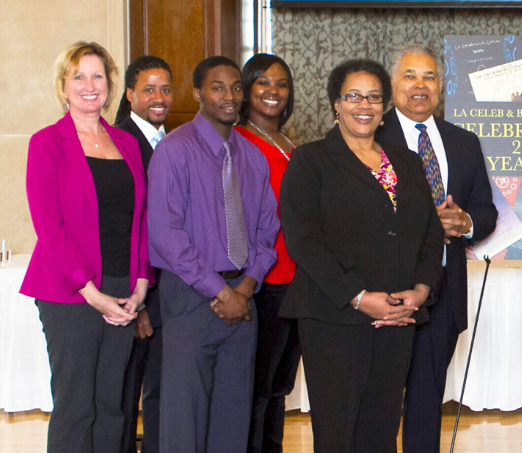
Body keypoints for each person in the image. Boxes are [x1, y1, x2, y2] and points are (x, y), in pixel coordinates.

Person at [279, 59, 444, 453]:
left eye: (373, 97)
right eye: (353, 96)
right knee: (338, 432)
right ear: (336, 103)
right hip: (334, 317)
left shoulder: (405, 160)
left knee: (382, 429)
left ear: (384, 105)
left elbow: (430, 231)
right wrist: (358, 297)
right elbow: (302, 241)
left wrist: (421, 290)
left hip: (397, 315)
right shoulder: (310, 160)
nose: (363, 105)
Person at [23, 41, 154, 453]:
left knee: (114, 405)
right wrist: (91, 293)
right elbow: (50, 227)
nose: (89, 84)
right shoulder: (47, 143)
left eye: (98, 75)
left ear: (110, 85)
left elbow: (142, 218)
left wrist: (141, 283)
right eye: (78, 75)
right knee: (77, 405)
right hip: (70, 291)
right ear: (63, 86)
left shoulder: (127, 143)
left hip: (123, 287)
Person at [148, 56, 280, 453]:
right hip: (191, 297)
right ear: (198, 94)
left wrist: (245, 286)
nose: (230, 96)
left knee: (233, 415)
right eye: (218, 87)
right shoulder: (175, 150)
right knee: (184, 418)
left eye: (236, 87)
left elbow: (266, 230)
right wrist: (219, 292)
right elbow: (167, 235)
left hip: (243, 297)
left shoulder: (252, 155)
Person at [378, 45, 498, 453]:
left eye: (429, 77)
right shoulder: (370, 137)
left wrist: (464, 222)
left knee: (428, 399)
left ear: (441, 86)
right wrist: (428, 222)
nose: (419, 85)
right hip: (387, 288)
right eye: (409, 76)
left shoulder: (463, 142)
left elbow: (486, 211)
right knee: (380, 398)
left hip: (445, 288)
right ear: (393, 83)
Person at [233, 53, 299, 453]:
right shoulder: (238, 140)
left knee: (279, 388)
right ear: (247, 89)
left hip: (297, 278)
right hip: (263, 279)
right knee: (257, 388)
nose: (273, 91)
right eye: (262, 82)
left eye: (281, 84)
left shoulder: (290, 143)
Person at [114, 54, 173, 453]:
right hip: (137, 296)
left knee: (160, 396)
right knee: (123, 400)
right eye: (148, 89)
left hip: (175, 295)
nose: (158, 97)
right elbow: (129, 229)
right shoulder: (119, 142)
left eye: (165, 89)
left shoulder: (175, 141)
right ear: (130, 94)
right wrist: (142, 304)